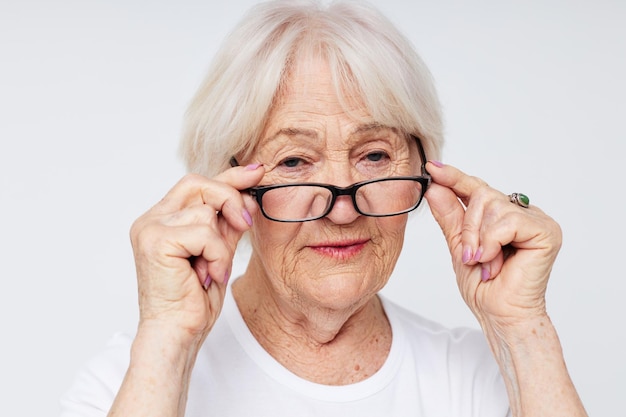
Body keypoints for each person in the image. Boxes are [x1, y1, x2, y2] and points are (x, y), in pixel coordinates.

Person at [59, 1, 587, 416]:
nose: (342, 210)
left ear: (426, 174)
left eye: (375, 156)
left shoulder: (482, 376)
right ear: (225, 191)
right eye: (294, 161)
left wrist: (523, 330)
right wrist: (168, 342)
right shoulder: (128, 379)